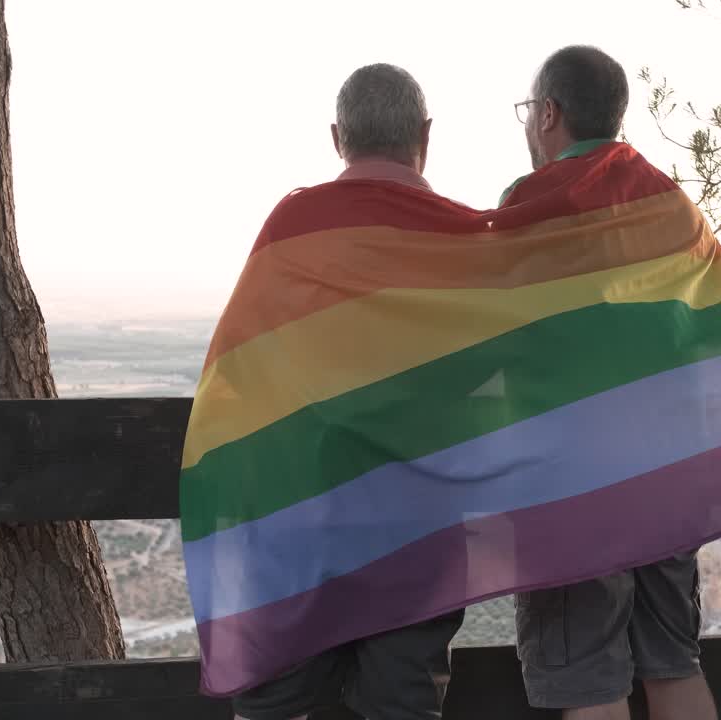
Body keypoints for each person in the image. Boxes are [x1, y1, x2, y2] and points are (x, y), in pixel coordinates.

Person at [230, 63, 465, 720]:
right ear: (425, 135)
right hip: (418, 528)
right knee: (402, 706)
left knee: (275, 706)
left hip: (300, 524)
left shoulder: (293, 227)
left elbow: (245, 367)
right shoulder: (461, 235)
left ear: (338, 137)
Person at [502, 46, 720, 720]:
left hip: (575, 479)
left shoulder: (532, 201)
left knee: (588, 681)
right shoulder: (672, 203)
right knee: (674, 661)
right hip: (672, 468)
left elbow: (504, 339)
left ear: (548, 114)